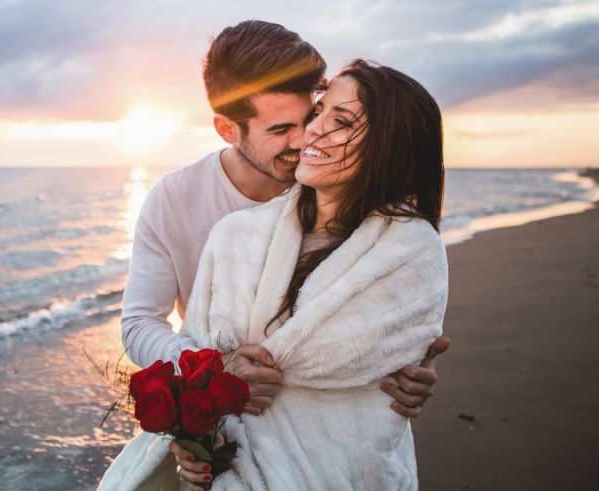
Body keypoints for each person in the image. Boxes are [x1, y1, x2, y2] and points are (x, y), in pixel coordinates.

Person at [113, 59, 448, 490]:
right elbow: (144, 325)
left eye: (329, 118)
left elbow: (371, 358)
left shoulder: (404, 249)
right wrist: (206, 397)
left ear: (388, 144)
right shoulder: (209, 220)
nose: (307, 134)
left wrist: (404, 360)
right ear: (228, 129)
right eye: (282, 128)